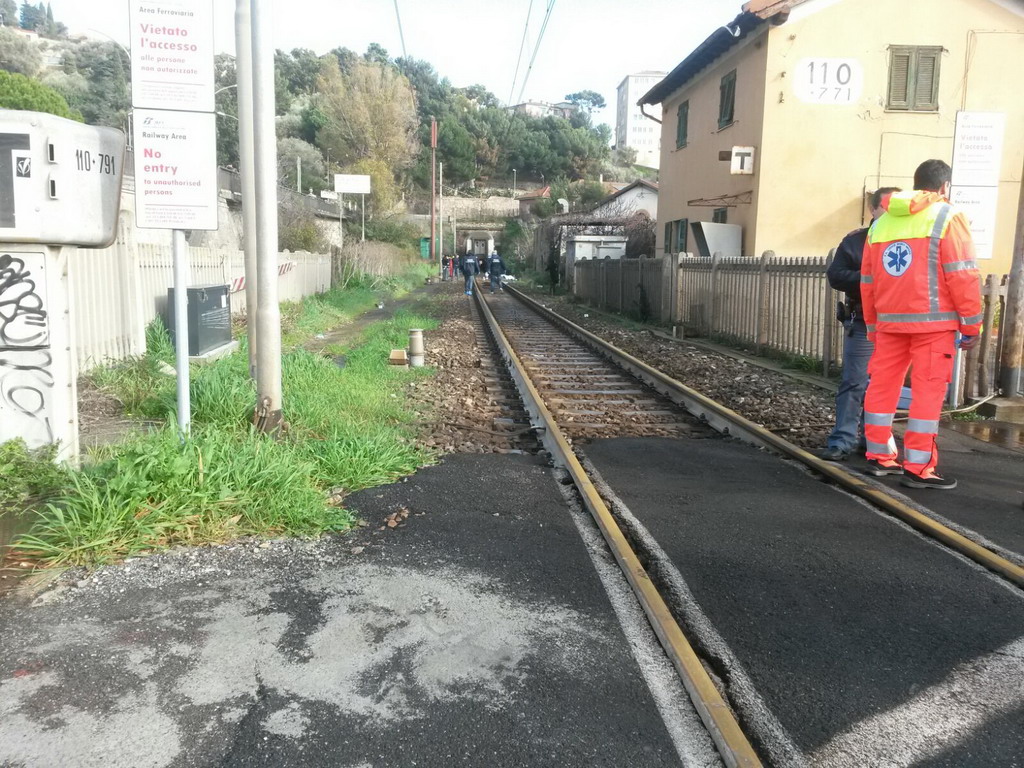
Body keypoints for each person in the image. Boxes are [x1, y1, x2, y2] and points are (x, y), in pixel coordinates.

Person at [860, 159, 983, 489]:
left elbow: (867, 281)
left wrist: (872, 324)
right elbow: (962, 274)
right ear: (944, 186)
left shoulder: (881, 224)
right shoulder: (947, 216)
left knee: (882, 386)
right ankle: (919, 467)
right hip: (934, 324)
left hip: (889, 323)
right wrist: (972, 324)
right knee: (927, 392)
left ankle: (879, 457)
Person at [818, 187, 901, 462]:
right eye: (887, 205)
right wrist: (872, 279)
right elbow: (836, 275)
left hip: (897, 326)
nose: (894, 210)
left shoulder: (911, 240)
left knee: (884, 386)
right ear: (873, 209)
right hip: (865, 322)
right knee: (855, 382)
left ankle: (874, 440)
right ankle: (843, 440)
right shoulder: (856, 241)